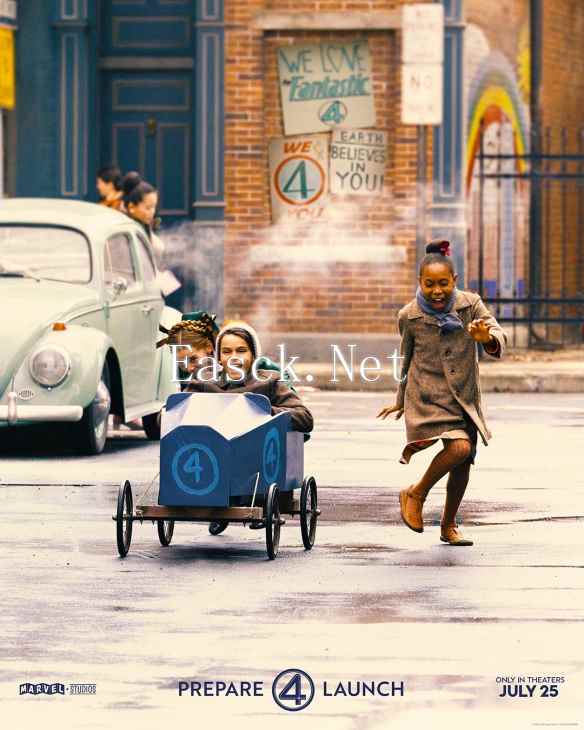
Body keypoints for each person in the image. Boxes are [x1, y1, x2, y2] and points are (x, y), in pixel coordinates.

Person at [377, 240, 507, 546]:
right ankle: (416, 493)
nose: (437, 291)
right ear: (420, 282)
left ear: (454, 280)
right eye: (430, 284)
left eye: (443, 284)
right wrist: (400, 399)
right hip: (428, 396)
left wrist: (487, 338)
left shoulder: (470, 305)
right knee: (459, 448)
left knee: (463, 462)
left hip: (463, 398)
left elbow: (497, 332)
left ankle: (449, 525)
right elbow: (405, 358)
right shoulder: (409, 315)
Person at [121, 172, 164, 264]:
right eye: (148, 208)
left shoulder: (144, 224)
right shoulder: (124, 231)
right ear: (131, 207)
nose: (152, 212)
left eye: (154, 207)